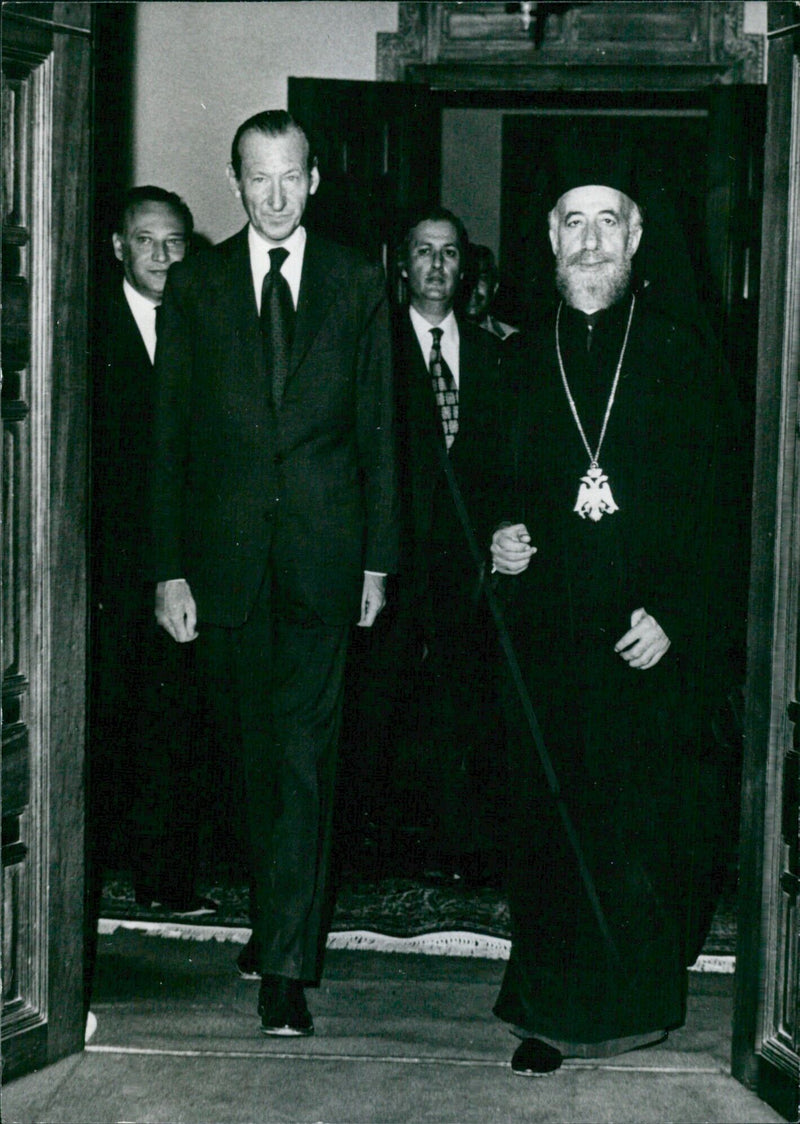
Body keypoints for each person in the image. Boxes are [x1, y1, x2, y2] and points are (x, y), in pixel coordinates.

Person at [149, 110, 398, 1037]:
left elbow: (379, 431)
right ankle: (274, 914)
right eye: (259, 178)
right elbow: (168, 438)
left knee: (301, 759)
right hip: (223, 568)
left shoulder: (357, 281)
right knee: (249, 756)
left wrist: (379, 558)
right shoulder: (199, 285)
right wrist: (169, 569)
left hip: (325, 562)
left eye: (292, 175)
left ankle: (286, 966)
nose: (278, 194)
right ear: (236, 182)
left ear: (316, 178)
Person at [486, 168, 735, 1075]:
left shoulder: (679, 352)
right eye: (573, 224)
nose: (590, 242)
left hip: (647, 638)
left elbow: (722, 511)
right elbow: (480, 489)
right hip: (550, 637)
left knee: (645, 825)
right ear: (551, 241)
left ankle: (634, 1000)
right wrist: (498, 539)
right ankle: (550, 1010)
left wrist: (678, 616)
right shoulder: (514, 357)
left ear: (635, 241)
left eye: (607, 224)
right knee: (551, 821)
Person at [391, 206, 505, 884]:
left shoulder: (494, 355)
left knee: (465, 704)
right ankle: (385, 845)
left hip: (470, 565)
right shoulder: (374, 346)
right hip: (393, 561)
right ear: (403, 264)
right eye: (424, 252)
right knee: (387, 704)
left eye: (450, 253)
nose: (437, 266)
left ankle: (459, 844)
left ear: (466, 268)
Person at [462, 244, 519, 342]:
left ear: (495, 287)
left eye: (482, 278)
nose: (473, 287)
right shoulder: (437, 336)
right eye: (467, 277)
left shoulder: (511, 339)